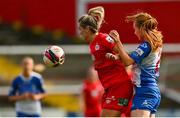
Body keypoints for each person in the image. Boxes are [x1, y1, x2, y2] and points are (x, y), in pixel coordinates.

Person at [78, 6, 133, 117]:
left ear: (88, 29)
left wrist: (117, 57)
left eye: (81, 29)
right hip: (109, 88)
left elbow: (125, 56)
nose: (80, 32)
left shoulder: (103, 39)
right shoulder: (92, 44)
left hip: (119, 86)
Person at [106, 12, 163, 117]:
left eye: (135, 29)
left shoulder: (146, 45)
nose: (134, 32)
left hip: (145, 92)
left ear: (141, 28)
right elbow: (133, 56)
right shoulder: (153, 44)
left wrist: (118, 42)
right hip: (150, 91)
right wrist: (117, 56)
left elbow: (128, 62)